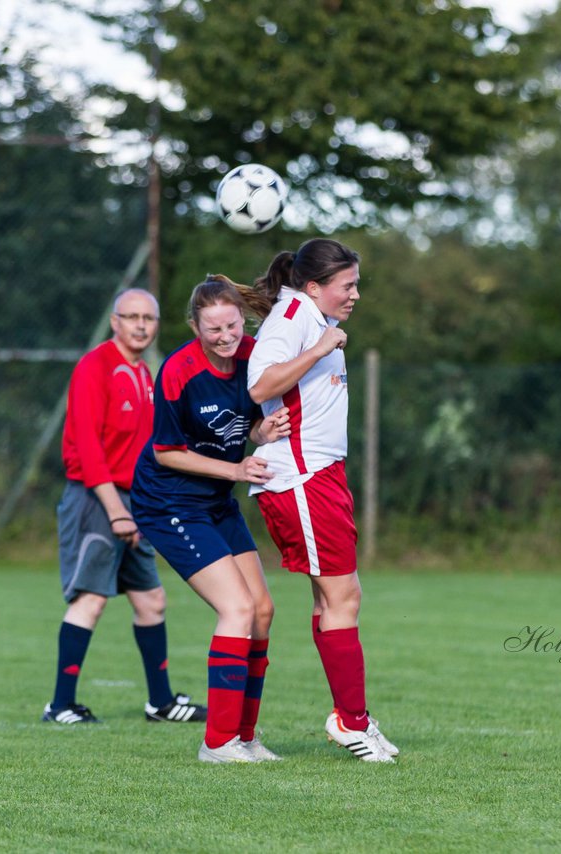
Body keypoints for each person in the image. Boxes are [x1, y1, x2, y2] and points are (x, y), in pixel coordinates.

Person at [245, 238, 400, 763]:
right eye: (347, 284)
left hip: (321, 474)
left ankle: (351, 715)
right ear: (314, 287)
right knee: (344, 599)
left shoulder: (308, 315)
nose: (356, 293)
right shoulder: (294, 316)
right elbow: (260, 382)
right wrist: (318, 349)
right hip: (300, 477)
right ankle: (350, 722)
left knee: (336, 597)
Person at [130, 275, 291, 763]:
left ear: (243, 319)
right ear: (195, 327)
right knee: (237, 610)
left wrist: (261, 435)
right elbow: (166, 453)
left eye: (232, 325)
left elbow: (251, 424)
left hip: (216, 500)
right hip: (169, 502)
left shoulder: (253, 356)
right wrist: (238, 467)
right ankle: (216, 742)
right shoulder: (178, 372)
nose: (225, 337)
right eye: (213, 329)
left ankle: (244, 737)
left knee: (262, 611)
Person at [40, 287, 206, 726]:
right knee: (91, 599)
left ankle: (161, 702)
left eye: (148, 318)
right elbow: (88, 448)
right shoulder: (95, 366)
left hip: (136, 503)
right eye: (130, 317)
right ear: (114, 322)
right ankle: (59, 705)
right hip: (97, 499)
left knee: (151, 600)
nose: (139, 325)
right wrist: (116, 510)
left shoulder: (146, 372)